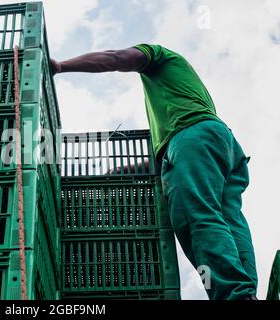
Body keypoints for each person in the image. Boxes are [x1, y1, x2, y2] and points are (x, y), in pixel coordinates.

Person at [51, 44, 258, 300]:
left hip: (192, 138)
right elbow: (170, 161)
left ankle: (233, 295)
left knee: (197, 217)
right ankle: (246, 292)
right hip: (223, 146)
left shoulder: (160, 56)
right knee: (229, 219)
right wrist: (123, 169)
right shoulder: (181, 95)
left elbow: (115, 58)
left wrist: (61, 66)